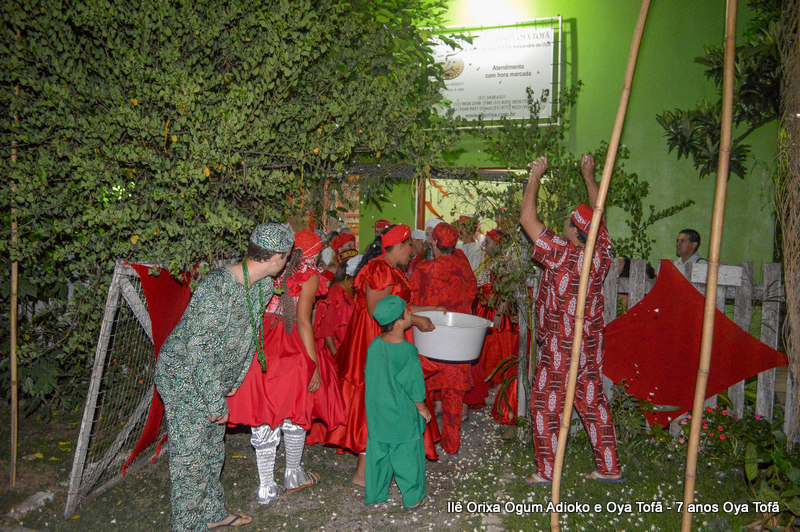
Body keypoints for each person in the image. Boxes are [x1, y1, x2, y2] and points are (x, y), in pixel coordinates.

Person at [154, 222, 293, 531]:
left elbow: (247, 337)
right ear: (277, 257)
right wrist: (214, 400)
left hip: (212, 378)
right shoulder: (217, 286)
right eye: (287, 257)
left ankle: (212, 513)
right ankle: (188, 526)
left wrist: (232, 380)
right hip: (184, 375)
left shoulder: (262, 286)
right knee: (190, 458)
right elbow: (199, 348)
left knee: (213, 451)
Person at [519, 154, 623, 485]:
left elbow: (527, 218)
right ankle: (609, 467)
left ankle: (547, 472)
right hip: (589, 345)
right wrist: (588, 176)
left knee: (544, 406)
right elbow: (599, 214)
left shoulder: (561, 253)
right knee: (592, 404)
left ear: (574, 231)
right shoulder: (601, 254)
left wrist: (535, 176)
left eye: (567, 222)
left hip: (560, 348)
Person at [226, 230, 346, 505]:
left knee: (264, 410)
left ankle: (266, 486)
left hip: (261, 341)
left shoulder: (271, 266)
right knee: (294, 407)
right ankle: (293, 473)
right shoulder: (308, 276)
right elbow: (303, 321)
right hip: (288, 346)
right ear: (315, 254)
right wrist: (313, 364)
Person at [323, 224, 442, 486]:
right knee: (378, 397)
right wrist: (416, 320)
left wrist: (432, 309)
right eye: (409, 246)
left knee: (388, 396)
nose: (412, 252)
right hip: (375, 338)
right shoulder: (380, 268)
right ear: (400, 245)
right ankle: (364, 472)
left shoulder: (389, 268)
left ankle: (380, 464)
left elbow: (399, 305)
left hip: (384, 335)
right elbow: (379, 312)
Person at [409, 222, 477, 461]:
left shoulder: (423, 269)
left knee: (422, 392)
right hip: (458, 342)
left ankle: (424, 445)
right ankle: (452, 447)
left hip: (430, 340)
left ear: (433, 243)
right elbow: (472, 296)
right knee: (454, 396)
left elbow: (411, 300)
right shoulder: (465, 269)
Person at [364, 295, 431, 509]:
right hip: (401, 414)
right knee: (407, 455)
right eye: (407, 312)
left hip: (377, 412)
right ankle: (413, 497)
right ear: (400, 322)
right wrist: (422, 408)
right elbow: (414, 384)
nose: (411, 314)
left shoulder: (374, 345)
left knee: (378, 453)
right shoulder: (407, 351)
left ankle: (376, 493)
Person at [315, 254, 361, 357]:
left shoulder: (354, 293)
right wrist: (337, 357)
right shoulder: (333, 293)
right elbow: (326, 331)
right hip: (334, 354)